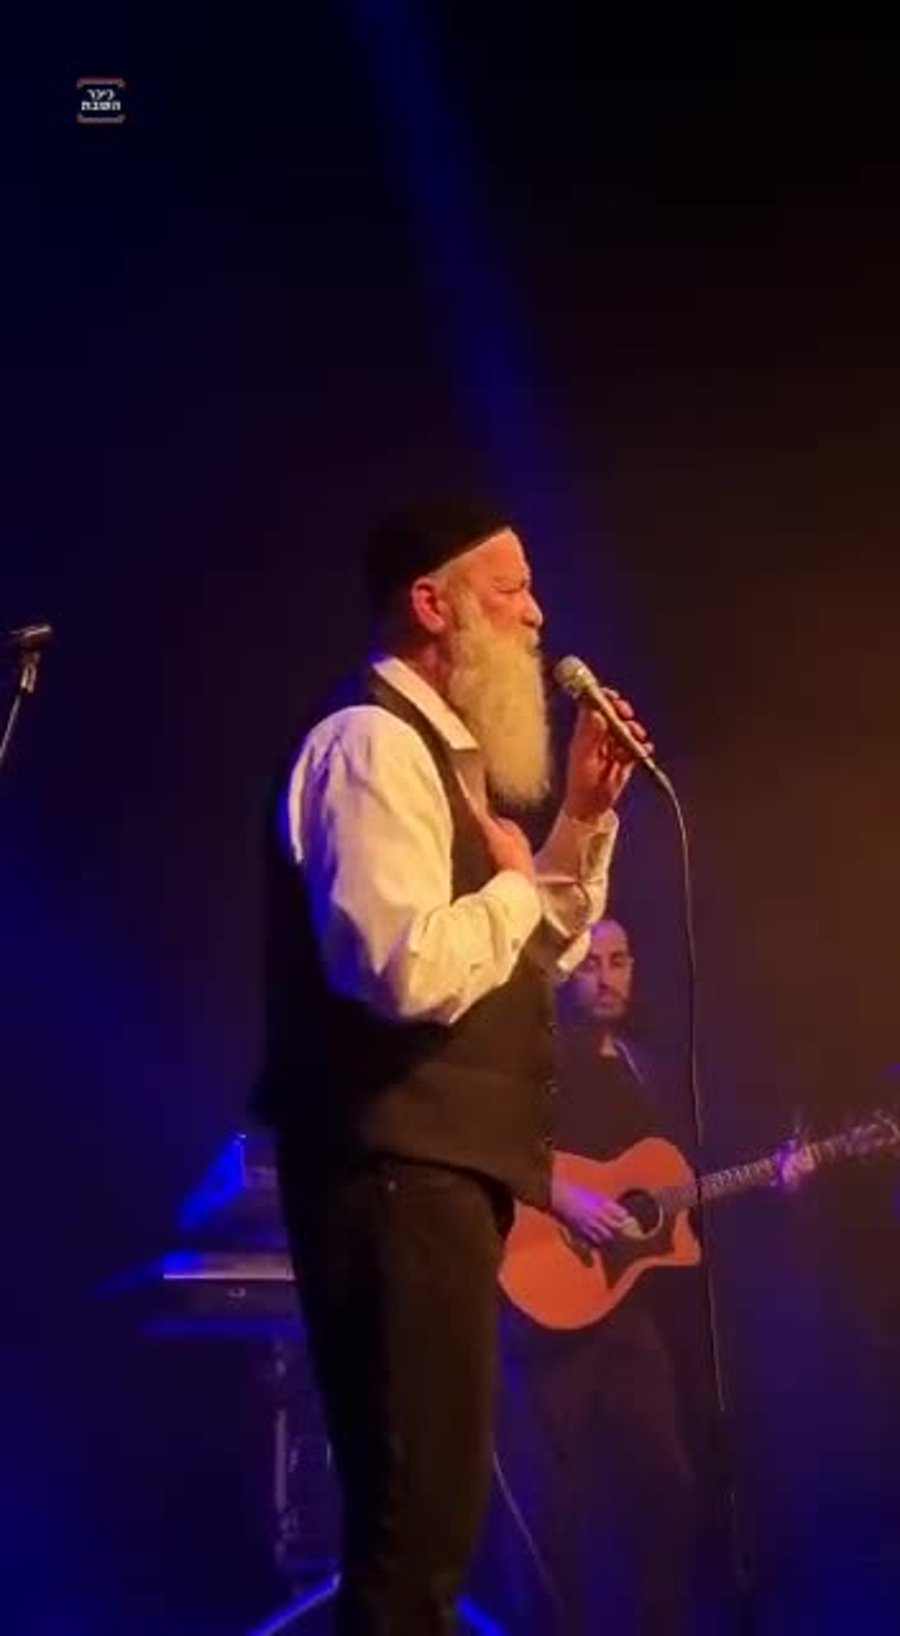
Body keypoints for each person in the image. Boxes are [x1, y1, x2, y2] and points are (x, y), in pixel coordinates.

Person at [253, 500, 652, 1635]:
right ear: (432, 603)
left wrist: (579, 822)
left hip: (437, 1181)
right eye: (509, 588)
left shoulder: (447, 764)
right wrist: (519, 884)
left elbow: (528, 953)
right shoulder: (373, 745)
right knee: (412, 1532)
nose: (536, 614)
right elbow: (401, 966)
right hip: (390, 1176)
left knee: (431, 1526)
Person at [495, 916, 814, 1636]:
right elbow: (497, 1150)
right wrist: (565, 1197)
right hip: (546, 1308)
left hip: (625, 1312)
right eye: (591, 964)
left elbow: (681, 1178)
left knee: (667, 1481)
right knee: (550, 1506)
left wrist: (773, 1174)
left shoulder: (649, 1070)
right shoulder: (535, 1063)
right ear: (561, 973)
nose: (608, 978)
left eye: (620, 961)